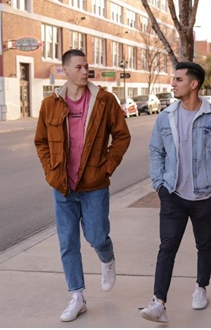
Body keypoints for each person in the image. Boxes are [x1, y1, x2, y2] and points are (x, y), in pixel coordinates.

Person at [34, 49, 131, 322]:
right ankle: (77, 296)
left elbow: (122, 136)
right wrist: (51, 169)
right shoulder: (50, 104)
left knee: (97, 236)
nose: (84, 71)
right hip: (63, 186)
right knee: (67, 243)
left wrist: (107, 166)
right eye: (78, 66)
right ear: (64, 70)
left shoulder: (104, 100)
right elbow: (41, 141)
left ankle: (107, 259)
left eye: (86, 66)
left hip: (94, 185)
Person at [141, 61, 211, 323]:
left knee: (204, 244)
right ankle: (159, 302)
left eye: (178, 79)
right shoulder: (165, 116)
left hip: (205, 196)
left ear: (193, 84)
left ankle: (201, 287)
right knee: (167, 247)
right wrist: (159, 185)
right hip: (172, 195)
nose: (173, 83)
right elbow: (157, 151)